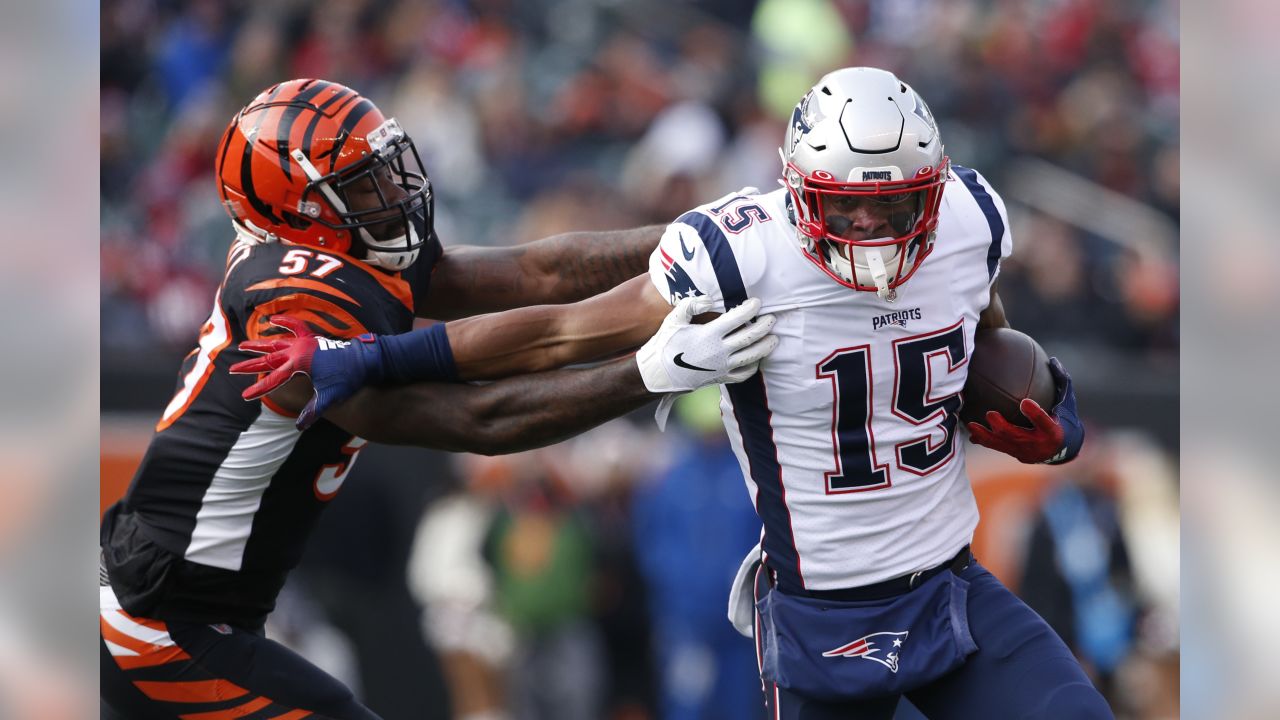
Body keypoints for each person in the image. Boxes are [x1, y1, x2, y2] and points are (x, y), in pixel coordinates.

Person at [242, 67, 1109, 718]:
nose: (871, 233)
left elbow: (983, 328)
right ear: (798, 188)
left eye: (894, 207)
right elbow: (559, 327)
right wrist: (367, 362)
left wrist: (1045, 401)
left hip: (952, 586)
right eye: (845, 209)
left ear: (935, 187)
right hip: (823, 617)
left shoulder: (970, 219)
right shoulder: (746, 251)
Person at [99, 78, 777, 720]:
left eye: (388, 168)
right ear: (301, 210)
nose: (392, 190)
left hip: (195, 607)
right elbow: (477, 415)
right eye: (362, 183)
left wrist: (704, 238)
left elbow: (538, 271)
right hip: (159, 617)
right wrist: (646, 373)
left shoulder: (342, 259)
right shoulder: (293, 305)